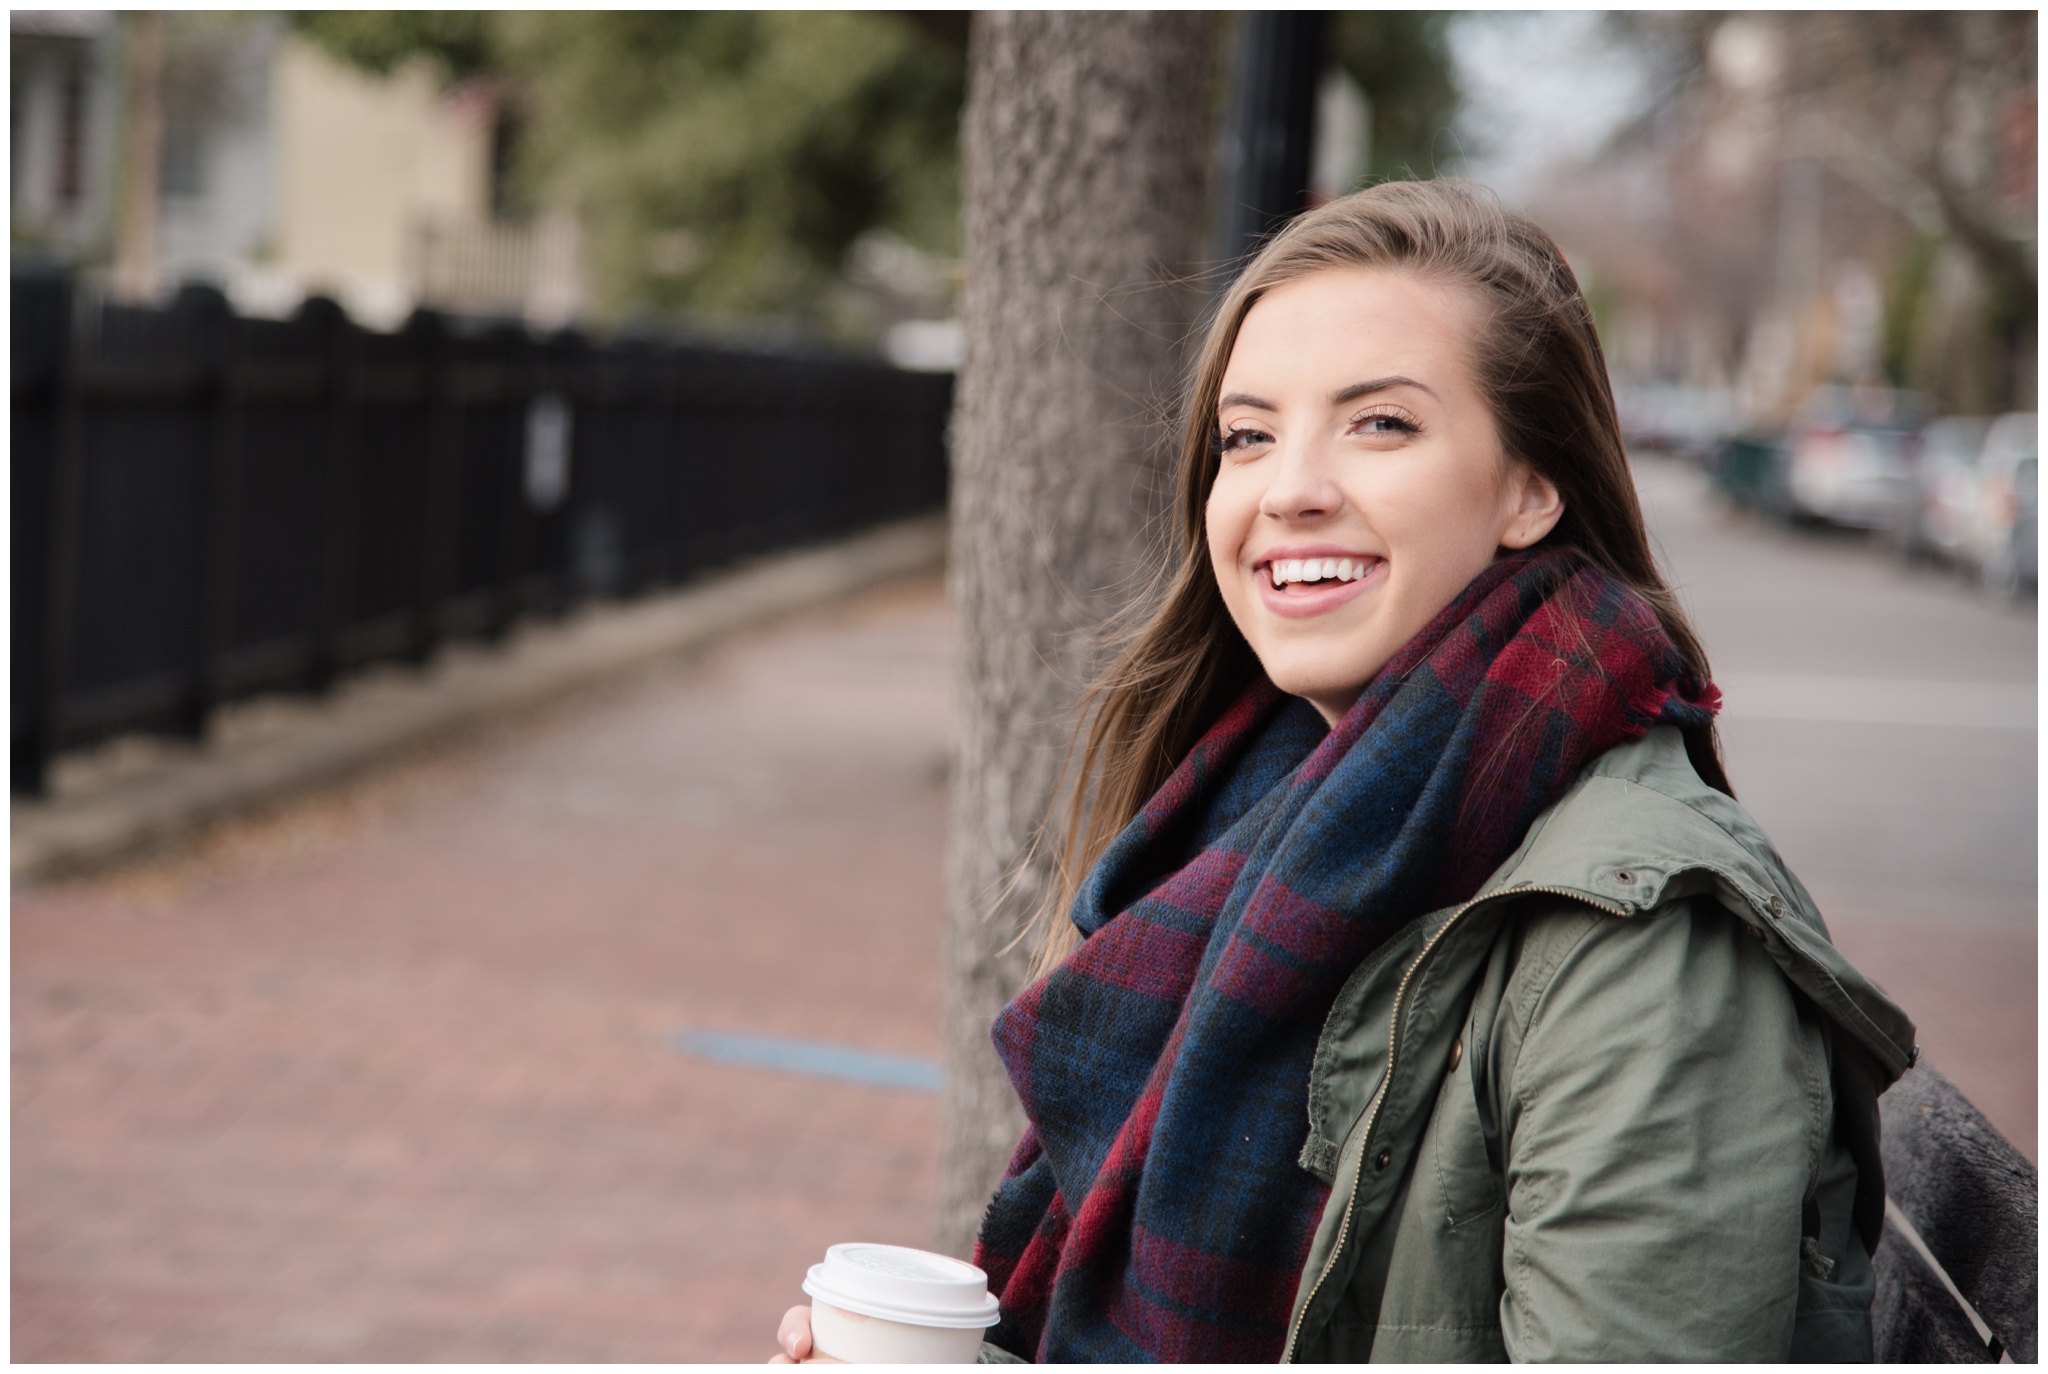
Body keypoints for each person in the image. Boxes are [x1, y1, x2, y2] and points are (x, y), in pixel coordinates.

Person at [773, 179, 1915, 1364]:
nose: (1288, 489)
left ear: (1530, 487)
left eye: (1379, 424)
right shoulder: (1253, 823)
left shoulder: (1638, 948)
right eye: (1247, 435)